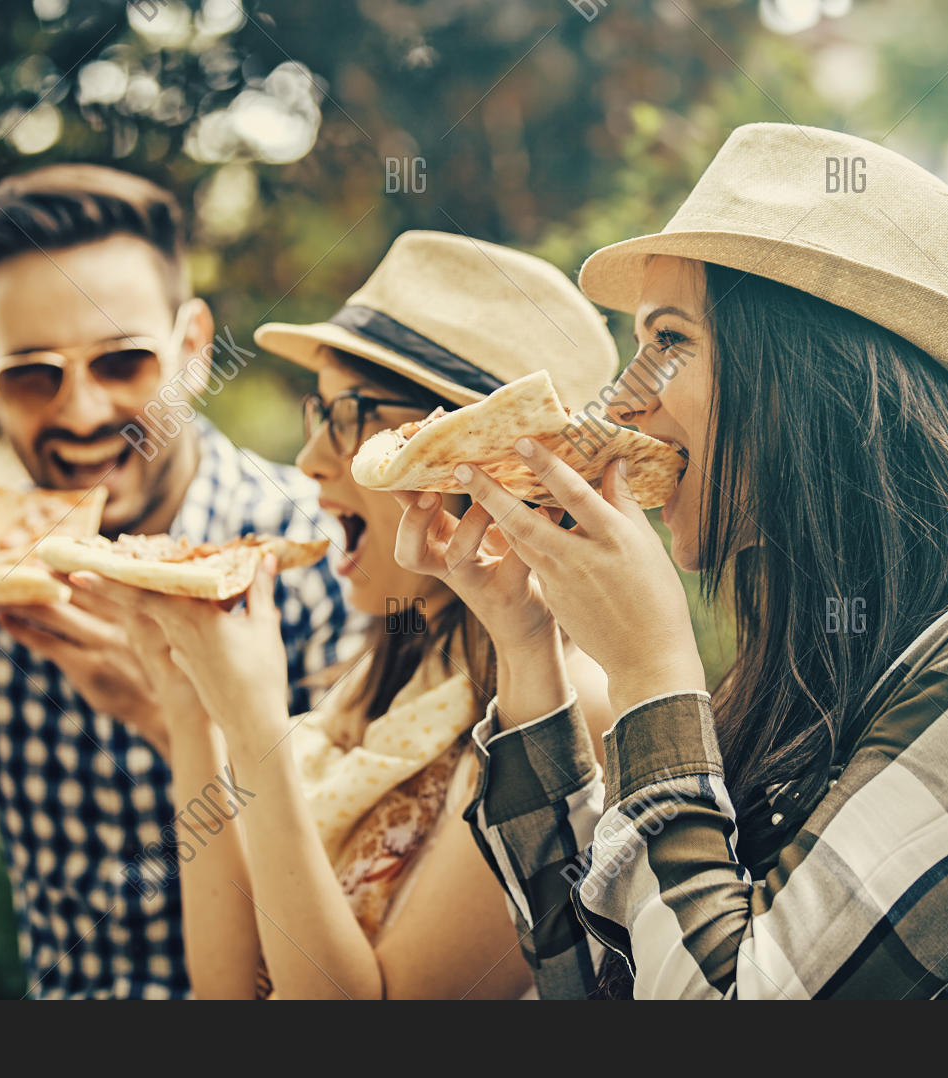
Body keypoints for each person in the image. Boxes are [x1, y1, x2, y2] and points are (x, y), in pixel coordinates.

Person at [400, 123, 948, 999]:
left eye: (670, 341)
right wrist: (527, 649)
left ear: (809, 373)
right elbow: (590, 981)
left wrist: (650, 673)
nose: (625, 405)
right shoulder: (815, 654)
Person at [0, 164, 356, 998]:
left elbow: (381, 911)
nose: (80, 412)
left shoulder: (321, 551)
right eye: (33, 373)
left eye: (122, 363)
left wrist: (169, 718)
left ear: (192, 350)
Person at [78, 231, 616, 998]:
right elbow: (230, 988)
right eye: (315, 414)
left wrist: (258, 725)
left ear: (486, 459)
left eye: (351, 416)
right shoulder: (397, 667)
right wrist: (191, 704)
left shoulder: (570, 715)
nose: (311, 460)